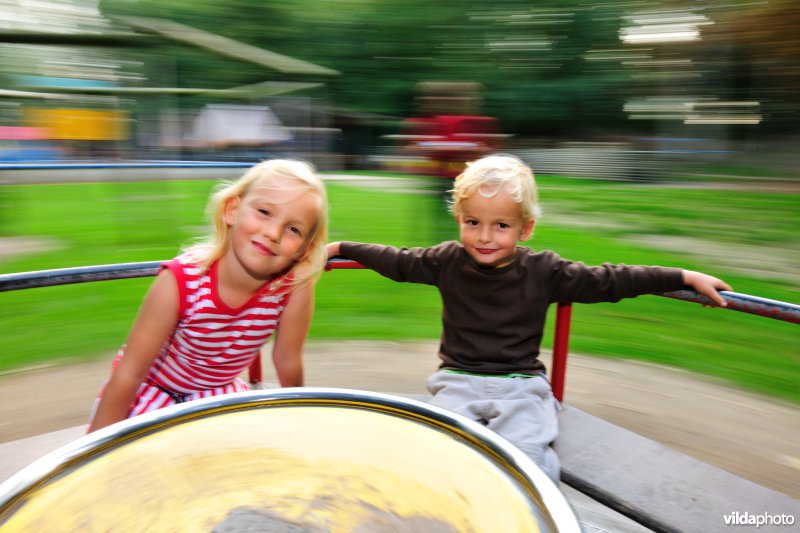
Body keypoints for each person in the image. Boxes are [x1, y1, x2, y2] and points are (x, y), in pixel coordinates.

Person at [325, 154, 731, 482]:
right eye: (473, 223)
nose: (484, 237)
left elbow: (612, 279)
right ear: (459, 221)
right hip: (457, 381)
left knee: (528, 460)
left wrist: (683, 276)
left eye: (501, 225)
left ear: (526, 228)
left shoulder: (545, 271)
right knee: (443, 452)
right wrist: (342, 246)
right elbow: (396, 260)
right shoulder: (447, 259)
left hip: (521, 386)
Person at [88, 159, 328, 433]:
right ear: (232, 210)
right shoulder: (180, 281)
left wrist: (299, 423)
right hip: (150, 389)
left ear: (304, 251)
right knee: (144, 455)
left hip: (214, 389)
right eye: (264, 212)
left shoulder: (292, 288)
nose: (273, 233)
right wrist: (94, 451)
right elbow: (130, 374)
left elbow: (288, 359)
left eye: (293, 229)